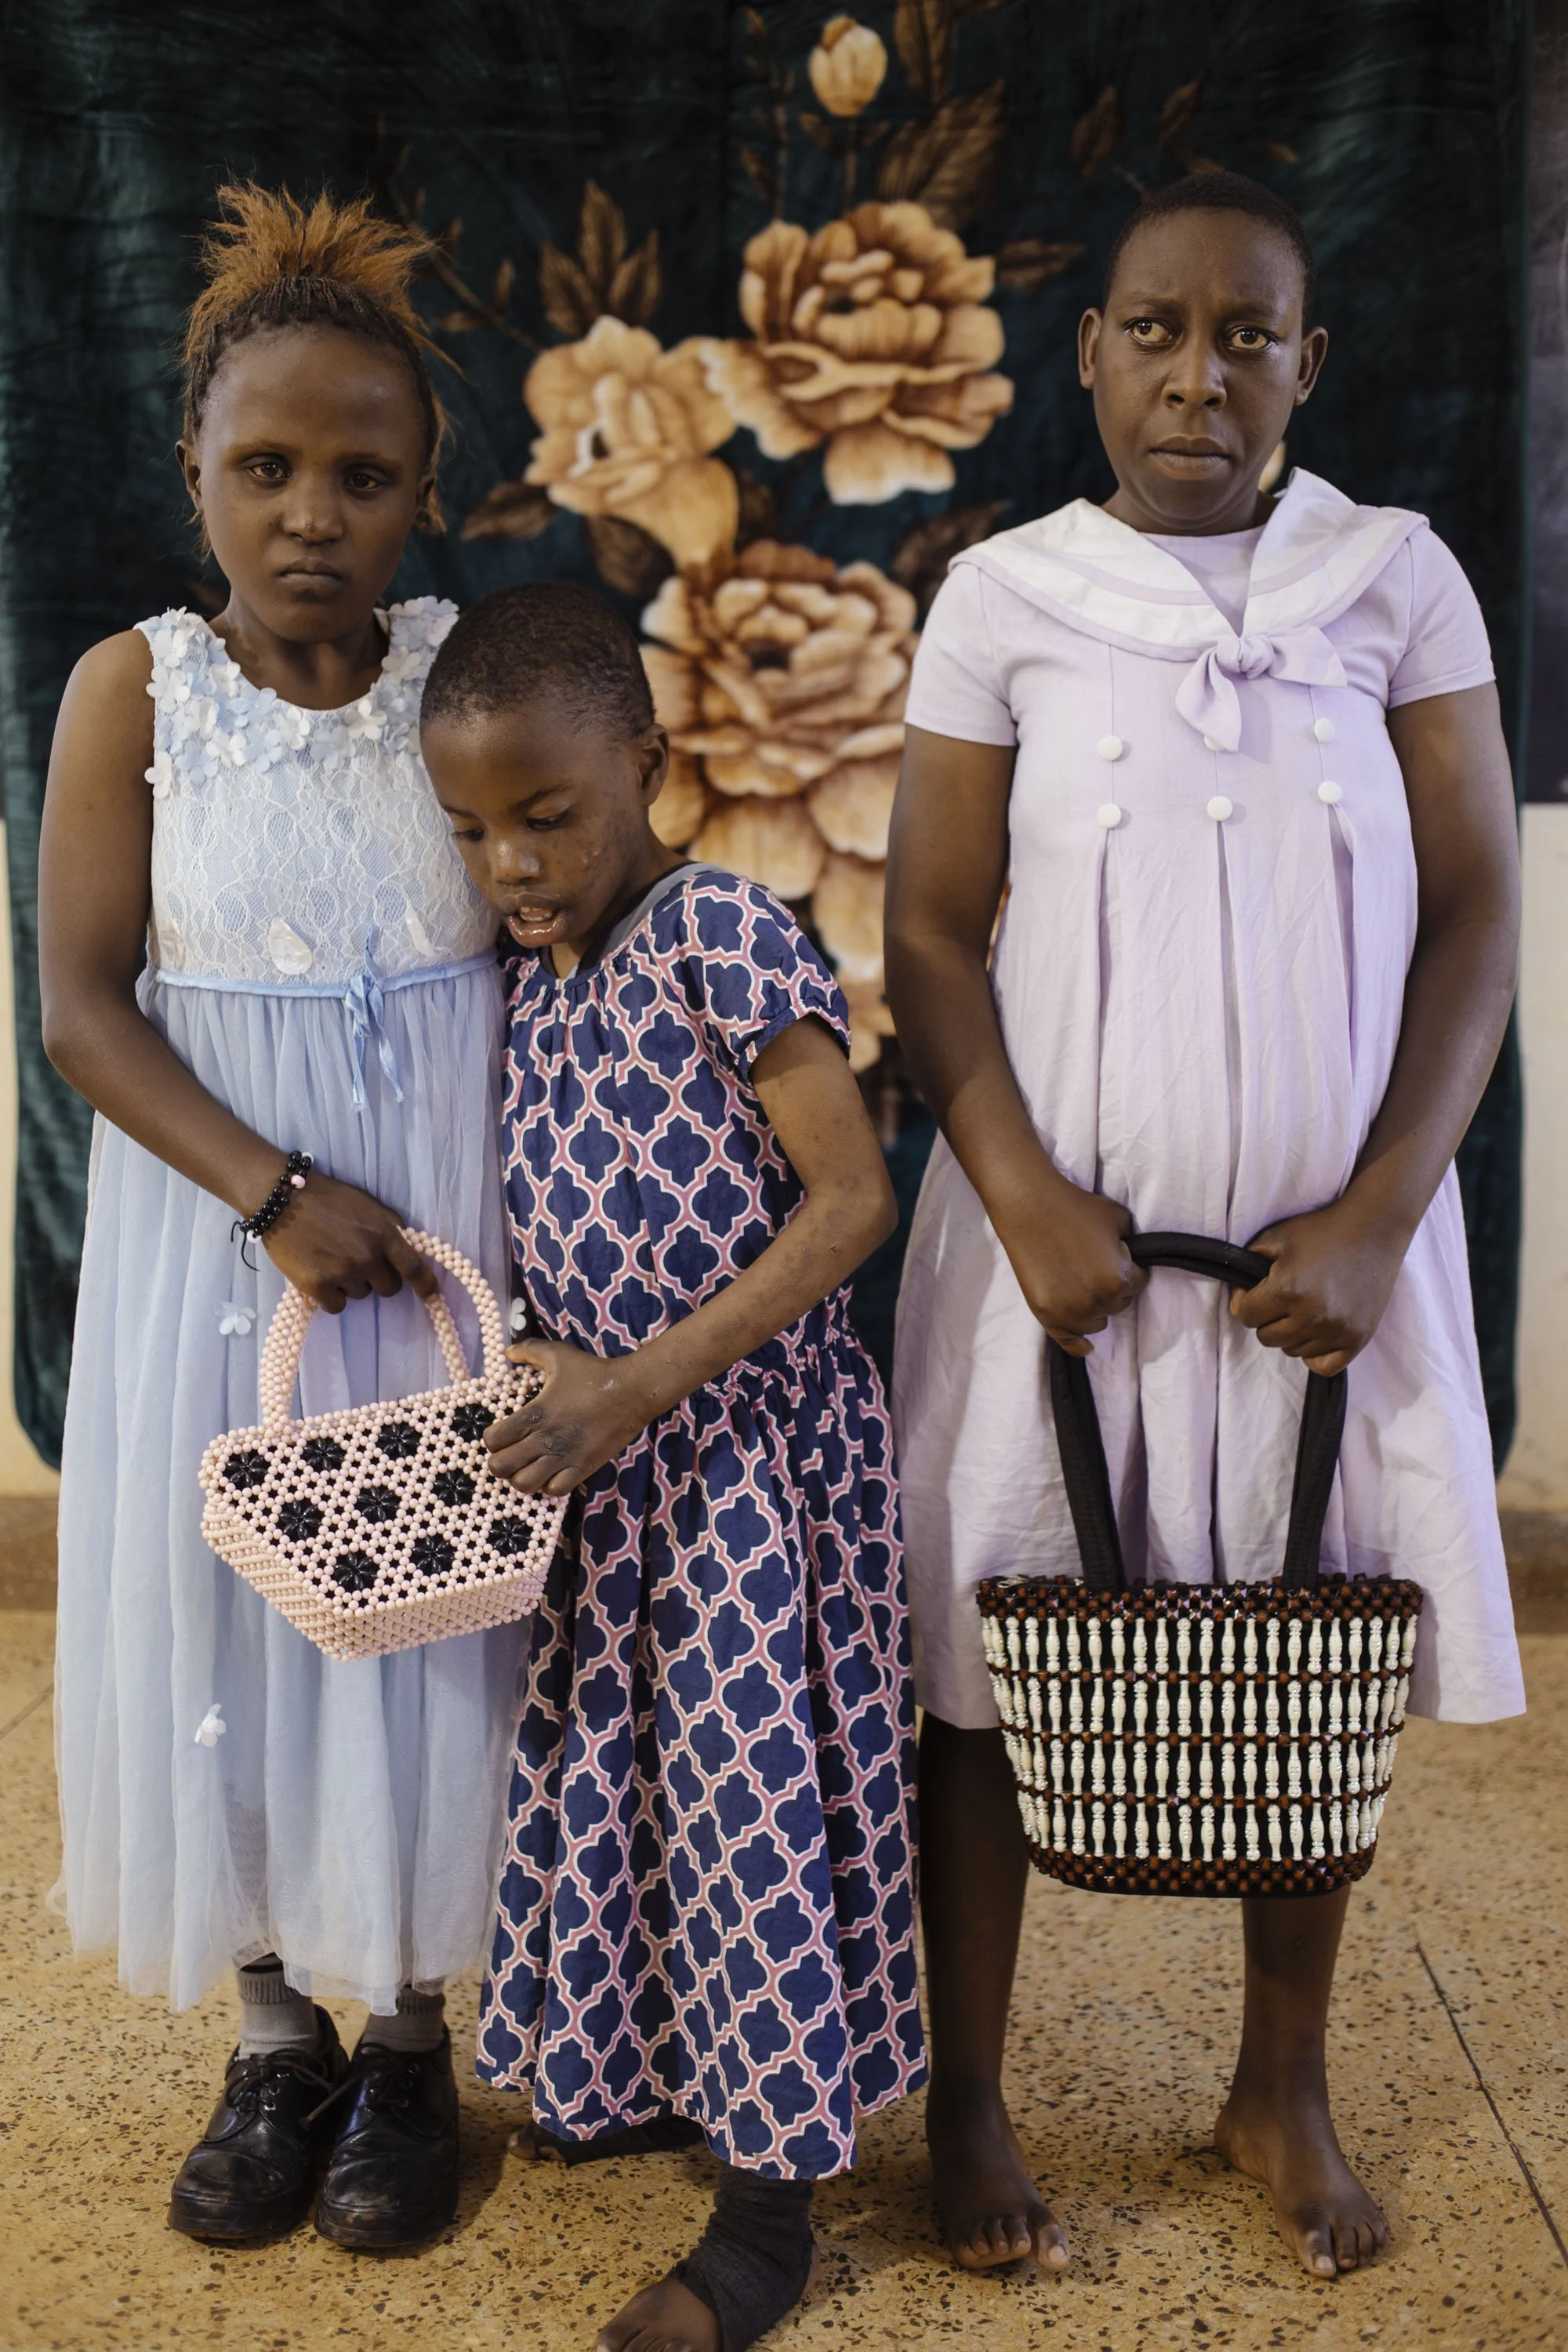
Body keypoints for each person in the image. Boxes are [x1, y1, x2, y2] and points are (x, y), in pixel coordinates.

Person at [885, 170, 1523, 2284]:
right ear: (1089, 355)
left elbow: (1475, 913)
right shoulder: (1005, 599)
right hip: (1058, 1252)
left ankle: (1281, 2076)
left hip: (1319, 1268)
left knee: (1302, 1647)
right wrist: (1020, 1186)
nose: (1197, 371)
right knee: (993, 1662)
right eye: (1153, 328)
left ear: (1305, 363)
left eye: (1246, 333)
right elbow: (934, 930)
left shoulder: (1395, 581)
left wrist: (1380, 1212)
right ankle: (970, 2097)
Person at [40, 185, 518, 2250]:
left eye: (360, 472)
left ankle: (410, 2041)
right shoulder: (134, 694)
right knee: (232, 1602)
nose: (308, 511)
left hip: (434, 1246)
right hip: (226, 1253)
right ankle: (266, 2031)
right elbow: (74, 1000)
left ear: (427, 490)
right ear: (192, 471)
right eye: (263, 468)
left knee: (421, 1602)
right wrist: (270, 1191)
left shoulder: (465, 679)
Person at [418, 583, 925, 2352]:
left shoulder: (723, 930)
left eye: (549, 814)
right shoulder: (529, 982)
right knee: (622, 1792)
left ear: (647, 761)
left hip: (745, 1470)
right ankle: (637, 2078)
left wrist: (635, 1386)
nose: (514, 864)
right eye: (473, 830)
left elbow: (851, 1203)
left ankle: (767, 2217)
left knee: (745, 1805)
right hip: (606, 1473)